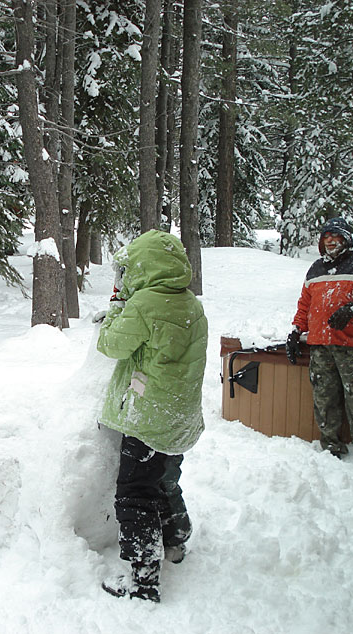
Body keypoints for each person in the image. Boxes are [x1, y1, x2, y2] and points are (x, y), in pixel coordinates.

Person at [94, 230, 207, 603]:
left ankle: (143, 581)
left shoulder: (143, 304)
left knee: (134, 493)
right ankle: (176, 539)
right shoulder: (190, 304)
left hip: (148, 418)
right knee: (164, 481)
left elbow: (110, 344)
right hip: (179, 416)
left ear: (145, 267)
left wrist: (116, 307)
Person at [286, 217, 353, 464]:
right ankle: (331, 447)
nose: (330, 242)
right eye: (326, 238)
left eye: (336, 237)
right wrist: (295, 331)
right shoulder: (315, 269)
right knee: (324, 399)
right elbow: (305, 305)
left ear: (346, 239)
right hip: (320, 345)